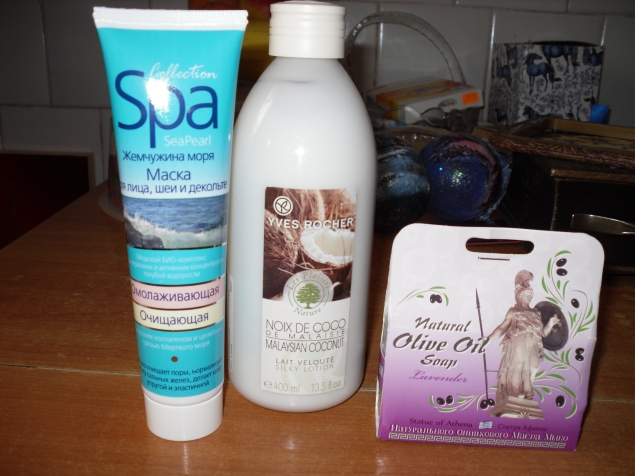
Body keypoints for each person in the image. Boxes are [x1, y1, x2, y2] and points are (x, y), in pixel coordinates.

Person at [488, 270, 560, 403]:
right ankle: (515, 393)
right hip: (519, 341)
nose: (530, 296)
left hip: (534, 343)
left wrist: (550, 323)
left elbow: (542, 333)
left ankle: (527, 394)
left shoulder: (536, 313)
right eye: (528, 293)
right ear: (520, 295)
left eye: (531, 294)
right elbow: (502, 327)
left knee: (534, 368)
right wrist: (488, 339)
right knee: (518, 365)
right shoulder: (514, 311)